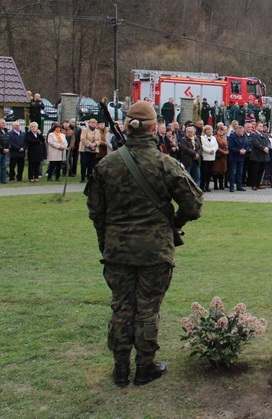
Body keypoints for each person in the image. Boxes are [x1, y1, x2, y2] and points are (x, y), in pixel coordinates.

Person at [86, 101, 202, 387]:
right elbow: (194, 204)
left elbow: (95, 212)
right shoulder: (165, 163)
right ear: (154, 128)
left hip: (117, 250)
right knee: (148, 309)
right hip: (155, 250)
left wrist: (106, 241)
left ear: (127, 126)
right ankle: (145, 368)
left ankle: (120, 369)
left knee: (122, 308)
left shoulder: (106, 165)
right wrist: (175, 223)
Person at [247, 122, 270, 190]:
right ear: (256, 127)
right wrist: (263, 148)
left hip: (264, 156)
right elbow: (255, 143)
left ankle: (258, 183)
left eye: (262, 126)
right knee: (255, 171)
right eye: (260, 126)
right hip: (256, 155)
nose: (261, 127)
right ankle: (253, 184)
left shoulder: (265, 135)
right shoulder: (253, 134)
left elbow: (268, 142)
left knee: (261, 170)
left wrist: (266, 147)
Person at [226, 125, 248, 192]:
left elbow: (247, 145)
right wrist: (238, 151)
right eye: (242, 131)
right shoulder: (231, 137)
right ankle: (232, 186)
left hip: (241, 158)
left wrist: (245, 150)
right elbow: (230, 147)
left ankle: (239, 185)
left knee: (240, 172)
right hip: (233, 157)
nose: (243, 133)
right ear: (238, 131)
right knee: (233, 172)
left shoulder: (244, 137)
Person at [80, 119, 102, 183]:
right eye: (91, 123)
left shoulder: (97, 131)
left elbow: (99, 140)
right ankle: (82, 178)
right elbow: (83, 139)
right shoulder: (84, 130)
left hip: (94, 150)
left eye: (94, 123)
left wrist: (95, 144)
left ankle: (89, 177)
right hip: (85, 149)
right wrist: (90, 145)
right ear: (89, 123)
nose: (93, 124)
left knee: (91, 164)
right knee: (84, 164)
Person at [199, 125, 218, 192]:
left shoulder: (213, 138)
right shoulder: (202, 138)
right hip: (205, 157)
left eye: (210, 130)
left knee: (209, 172)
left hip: (212, 157)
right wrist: (209, 151)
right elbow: (202, 146)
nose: (209, 131)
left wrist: (213, 150)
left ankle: (207, 185)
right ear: (205, 131)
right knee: (204, 172)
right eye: (208, 130)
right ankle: (202, 185)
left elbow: (216, 146)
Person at [213, 125, 229, 190]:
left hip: (223, 157)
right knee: (216, 171)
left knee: (222, 172)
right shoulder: (215, 137)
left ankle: (221, 184)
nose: (221, 132)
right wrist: (223, 152)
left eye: (222, 130)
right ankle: (215, 184)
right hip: (218, 156)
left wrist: (227, 151)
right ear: (217, 131)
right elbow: (216, 146)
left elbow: (227, 145)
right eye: (219, 130)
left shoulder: (224, 138)